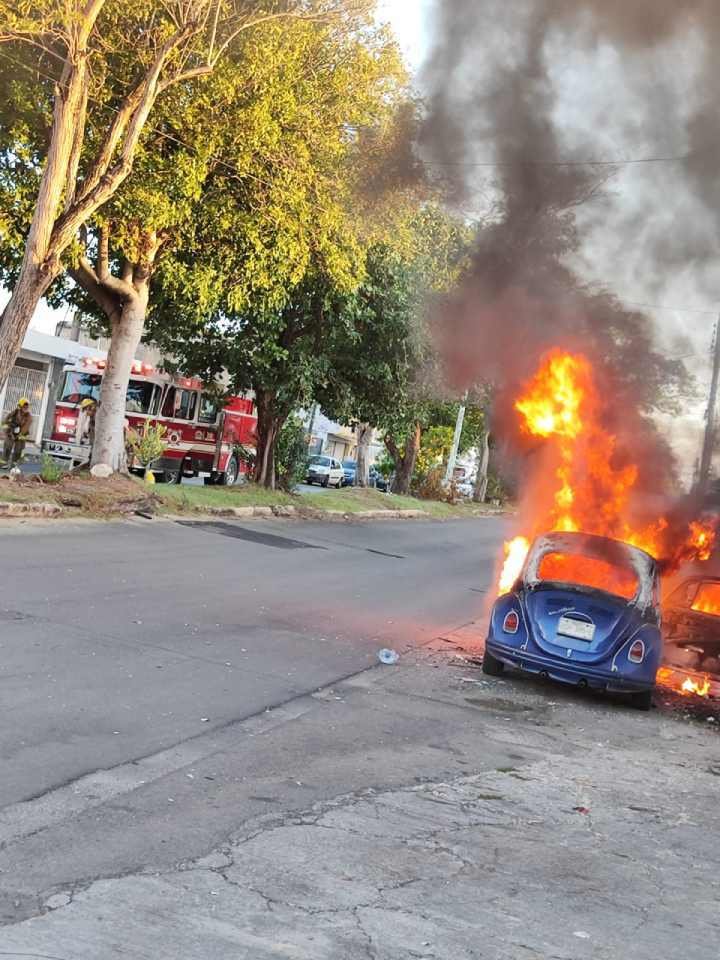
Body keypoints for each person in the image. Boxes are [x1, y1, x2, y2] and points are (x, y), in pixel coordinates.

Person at [2, 398, 32, 466]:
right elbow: (5, 421)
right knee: (7, 448)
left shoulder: (29, 416)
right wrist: (8, 431)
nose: (26, 408)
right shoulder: (14, 412)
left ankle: (14, 465)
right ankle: (3, 463)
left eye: (27, 407)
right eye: (24, 406)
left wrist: (19, 435)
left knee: (18, 451)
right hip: (11, 433)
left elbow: (26, 427)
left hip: (21, 435)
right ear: (20, 406)